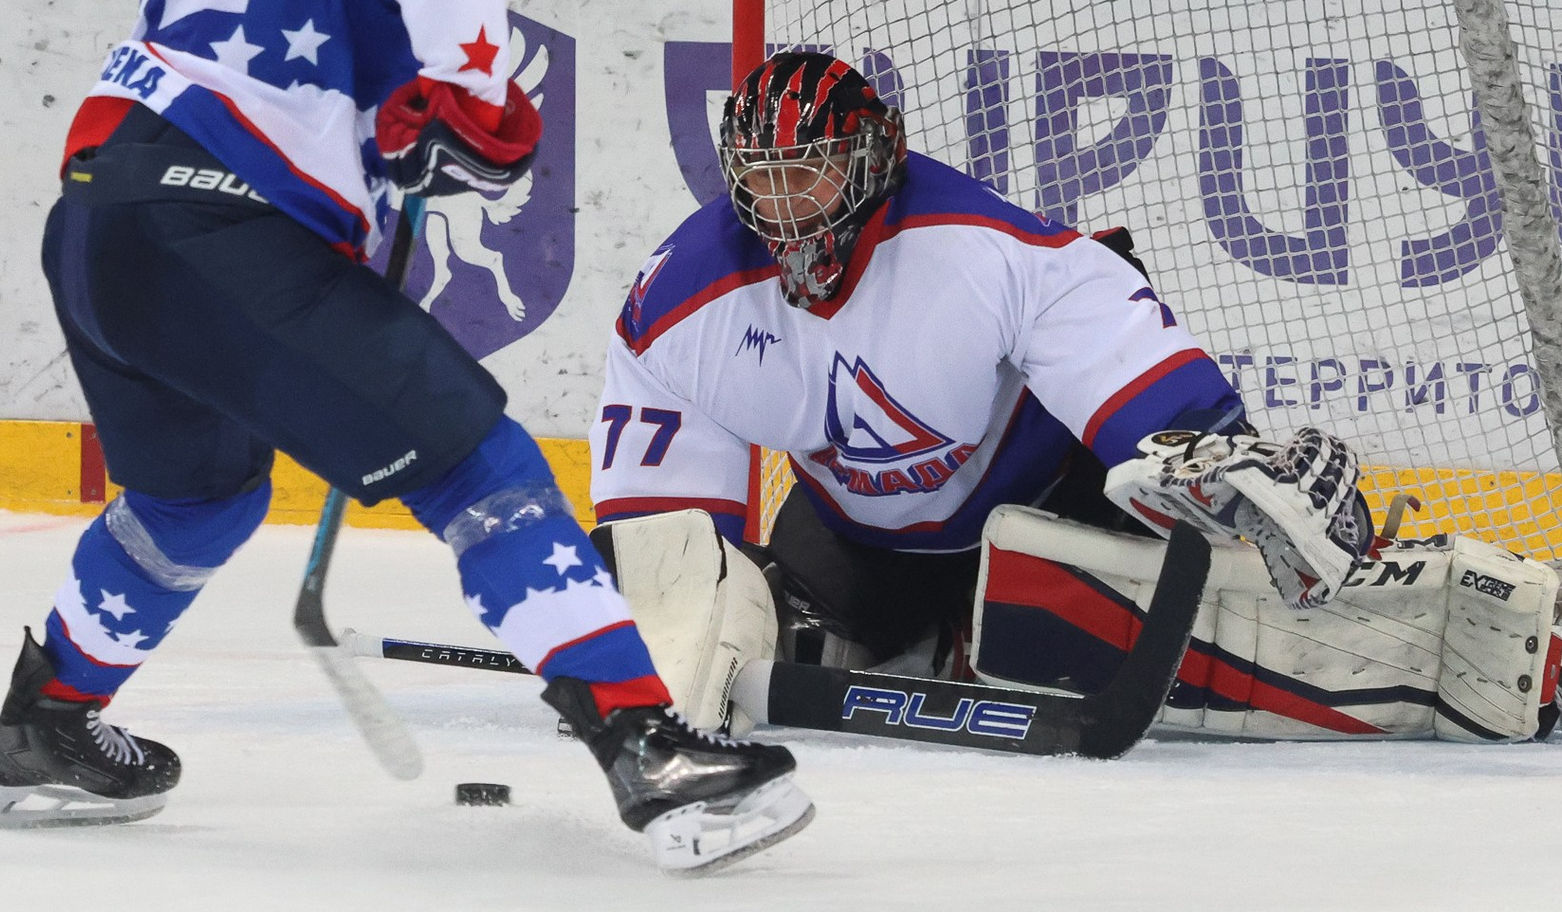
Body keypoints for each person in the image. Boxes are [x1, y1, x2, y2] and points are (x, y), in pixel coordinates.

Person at [0, 0, 813, 875]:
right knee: (481, 468)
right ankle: (646, 747)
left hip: (101, 224)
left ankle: (45, 719)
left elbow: (311, 97)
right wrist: (467, 84)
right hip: (216, 218)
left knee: (192, 501)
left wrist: (398, 147)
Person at [589, 51, 1374, 678]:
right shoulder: (681, 304)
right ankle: (933, 629)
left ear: (872, 157)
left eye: (808, 171)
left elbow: (1114, 346)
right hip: (859, 545)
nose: (783, 204)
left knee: (1127, 640)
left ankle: (990, 628)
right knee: (769, 647)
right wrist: (659, 611)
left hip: (1044, 519)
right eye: (762, 177)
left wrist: (1206, 449)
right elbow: (668, 543)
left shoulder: (980, 250)